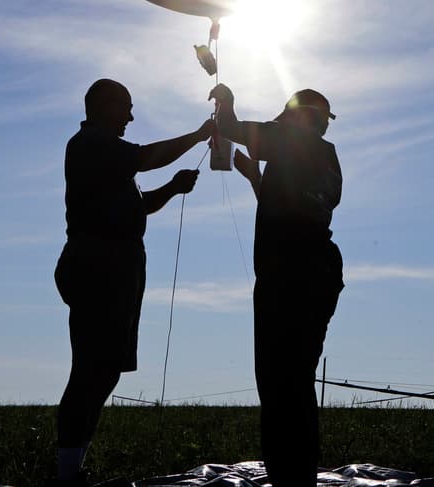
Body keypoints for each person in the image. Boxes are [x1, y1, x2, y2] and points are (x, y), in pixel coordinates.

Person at [52, 78, 213, 486]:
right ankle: (66, 471)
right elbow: (145, 157)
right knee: (91, 370)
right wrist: (198, 136)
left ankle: (73, 467)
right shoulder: (91, 145)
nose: (131, 116)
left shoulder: (104, 154)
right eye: (126, 107)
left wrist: (174, 189)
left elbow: (139, 205)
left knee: (104, 371)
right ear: (103, 107)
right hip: (98, 268)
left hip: (115, 269)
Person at [210, 83, 343, 487]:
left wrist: (226, 102)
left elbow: (232, 127)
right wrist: (257, 180)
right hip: (319, 271)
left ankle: (286, 475)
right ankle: (298, 473)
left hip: (287, 273)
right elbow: (296, 207)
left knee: (275, 377)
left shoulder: (288, 140)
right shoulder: (327, 156)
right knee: (297, 377)